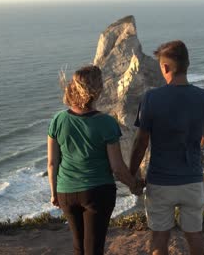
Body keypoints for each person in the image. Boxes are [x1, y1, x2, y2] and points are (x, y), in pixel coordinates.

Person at [130, 40, 204, 255]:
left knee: (159, 237)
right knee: (194, 235)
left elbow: (141, 142)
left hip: (160, 181)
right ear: (187, 64)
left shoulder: (151, 98)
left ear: (165, 68)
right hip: (192, 179)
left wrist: (132, 175)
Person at [47, 65, 143, 255]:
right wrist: (133, 184)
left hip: (66, 191)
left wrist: (54, 193)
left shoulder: (57, 120)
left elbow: (52, 163)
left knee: (79, 246)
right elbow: (117, 167)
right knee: (94, 248)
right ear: (98, 90)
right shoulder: (106, 123)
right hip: (98, 192)